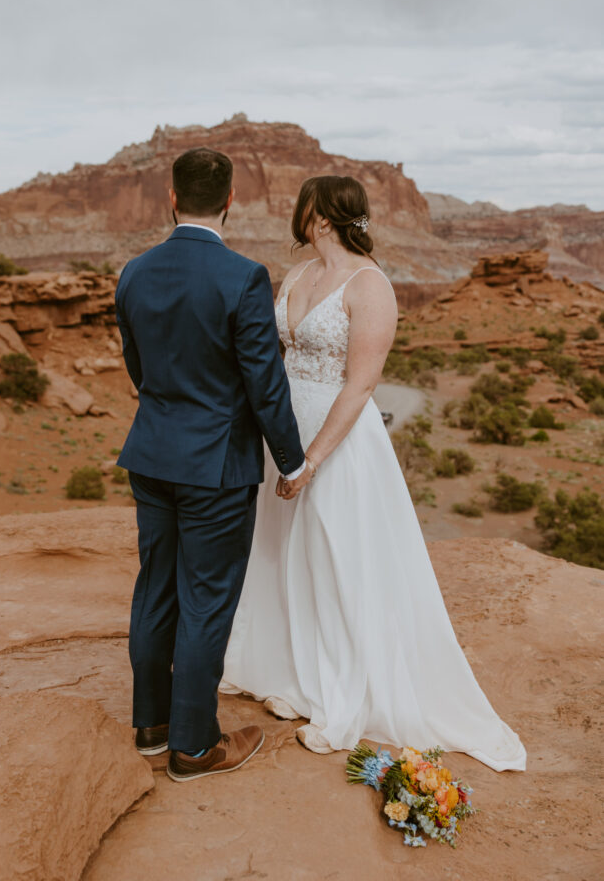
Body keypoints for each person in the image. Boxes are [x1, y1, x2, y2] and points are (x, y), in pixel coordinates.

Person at [222, 175, 526, 772]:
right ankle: (289, 674)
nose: (296, 211)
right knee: (283, 553)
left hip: (337, 444)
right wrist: (277, 442)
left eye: (303, 202)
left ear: (324, 215)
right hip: (283, 435)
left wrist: (313, 460)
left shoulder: (372, 285)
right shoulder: (298, 276)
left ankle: (341, 700)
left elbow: (361, 385)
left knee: (337, 559)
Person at [115, 147, 309, 782]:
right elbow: (265, 384)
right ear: (231, 202)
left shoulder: (134, 273)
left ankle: (151, 725)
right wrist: (291, 459)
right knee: (206, 600)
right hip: (215, 467)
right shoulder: (244, 276)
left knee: (156, 587)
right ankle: (195, 747)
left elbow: (140, 370)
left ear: (171, 199)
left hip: (152, 454)